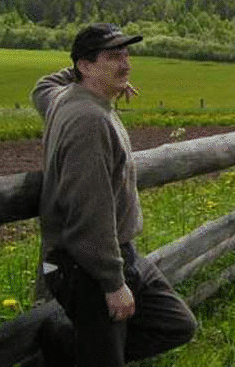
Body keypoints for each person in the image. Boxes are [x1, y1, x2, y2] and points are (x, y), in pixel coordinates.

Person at [33, 23, 197, 366]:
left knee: (177, 324)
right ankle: (66, 342)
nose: (126, 64)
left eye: (126, 54)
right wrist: (112, 283)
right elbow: (88, 212)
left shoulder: (66, 96)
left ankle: (76, 345)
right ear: (85, 65)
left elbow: (42, 86)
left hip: (115, 254)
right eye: (113, 57)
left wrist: (103, 78)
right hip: (85, 266)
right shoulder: (89, 120)